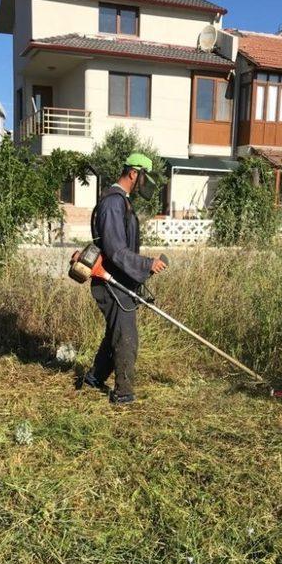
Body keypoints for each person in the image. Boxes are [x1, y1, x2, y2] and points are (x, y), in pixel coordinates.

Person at [83, 153, 167, 405]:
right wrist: (146, 264)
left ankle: (94, 379)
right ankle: (123, 394)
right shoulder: (113, 203)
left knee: (115, 334)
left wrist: (142, 271)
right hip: (109, 281)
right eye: (144, 178)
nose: (145, 183)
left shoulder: (122, 202)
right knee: (125, 336)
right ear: (133, 173)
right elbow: (115, 250)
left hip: (120, 280)